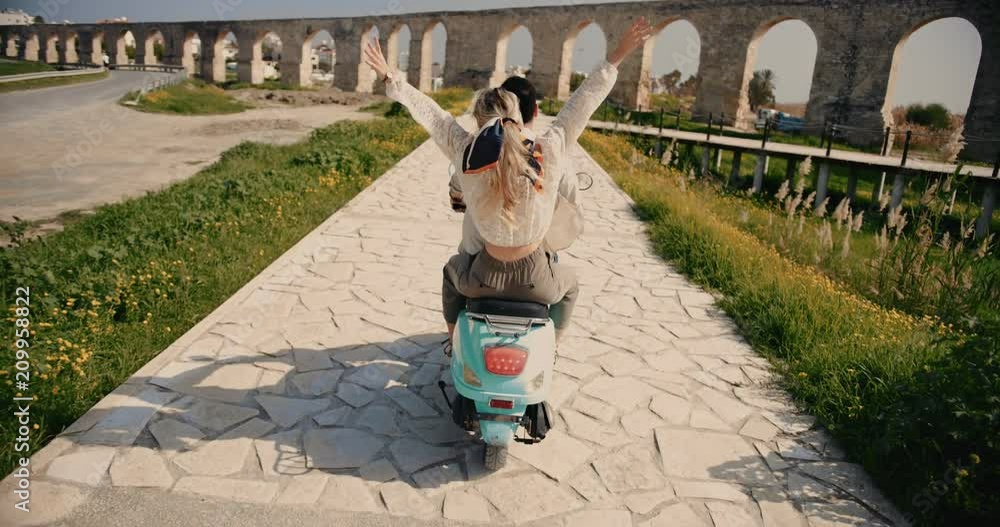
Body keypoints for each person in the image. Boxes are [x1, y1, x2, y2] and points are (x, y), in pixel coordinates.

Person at [362, 17, 653, 343]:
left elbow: (434, 116)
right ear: (521, 116)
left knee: (451, 273)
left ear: (478, 120)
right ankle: (553, 347)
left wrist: (390, 78)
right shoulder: (549, 149)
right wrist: (617, 55)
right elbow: (582, 102)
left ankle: (453, 342)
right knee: (570, 286)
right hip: (537, 280)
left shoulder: (465, 151)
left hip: (483, 276)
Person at [449, 75, 584, 254]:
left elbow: (457, 198)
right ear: (535, 111)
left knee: (457, 264)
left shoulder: (475, 155)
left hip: (477, 251)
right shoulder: (553, 156)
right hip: (535, 256)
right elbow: (574, 213)